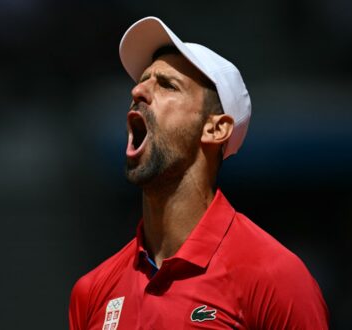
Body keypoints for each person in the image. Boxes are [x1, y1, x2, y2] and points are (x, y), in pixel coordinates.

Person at [69, 17, 329, 329]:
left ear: (215, 128)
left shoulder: (275, 277)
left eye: (167, 85)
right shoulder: (92, 291)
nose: (138, 90)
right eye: (142, 80)